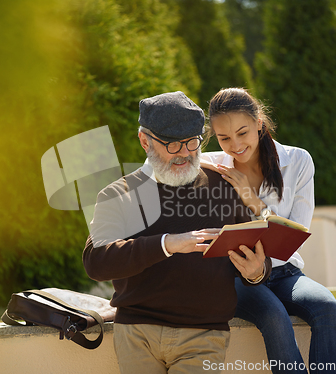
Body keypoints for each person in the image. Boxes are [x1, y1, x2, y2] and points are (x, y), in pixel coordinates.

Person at [82, 91, 272, 374]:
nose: (184, 153)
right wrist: (166, 244)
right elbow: (96, 261)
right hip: (137, 333)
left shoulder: (225, 187)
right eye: (172, 144)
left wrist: (256, 271)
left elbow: (259, 258)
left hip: (204, 335)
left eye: (192, 142)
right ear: (145, 140)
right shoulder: (118, 194)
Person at [201, 87, 336, 374]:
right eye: (224, 138)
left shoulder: (298, 161)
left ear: (259, 124)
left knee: (327, 308)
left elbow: (295, 234)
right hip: (238, 279)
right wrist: (194, 159)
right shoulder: (214, 166)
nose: (235, 145)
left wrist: (252, 201)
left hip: (286, 273)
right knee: (275, 316)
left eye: (243, 133)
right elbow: (155, 165)